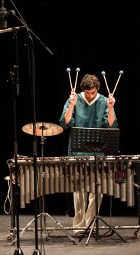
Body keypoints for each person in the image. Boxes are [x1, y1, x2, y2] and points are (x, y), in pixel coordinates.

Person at [59, 73, 117, 236]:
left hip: (98, 153)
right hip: (77, 152)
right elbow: (65, 123)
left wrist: (111, 108)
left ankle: (91, 223)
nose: (90, 96)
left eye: (93, 93)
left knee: (97, 191)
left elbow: (111, 126)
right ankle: (78, 226)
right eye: (87, 93)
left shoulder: (104, 100)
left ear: (97, 89)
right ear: (82, 90)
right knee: (78, 191)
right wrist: (71, 105)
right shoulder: (75, 98)